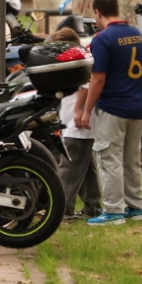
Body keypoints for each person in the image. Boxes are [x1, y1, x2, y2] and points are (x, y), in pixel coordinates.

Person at [78, 0, 142, 225]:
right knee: (131, 160)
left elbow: (97, 79)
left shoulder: (103, 39)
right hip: (137, 106)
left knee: (109, 159)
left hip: (113, 107)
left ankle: (114, 210)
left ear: (97, 12)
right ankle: (136, 207)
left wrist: (86, 110)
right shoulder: (137, 34)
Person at [49, 28, 101, 220]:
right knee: (85, 167)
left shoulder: (81, 61)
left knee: (69, 166)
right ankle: (92, 205)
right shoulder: (74, 61)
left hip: (77, 122)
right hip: (72, 120)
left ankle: (62, 209)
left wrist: (79, 111)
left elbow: (87, 85)